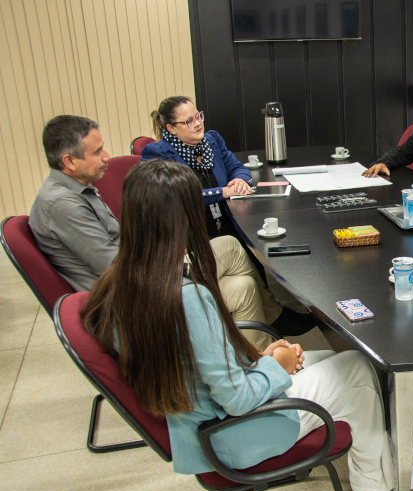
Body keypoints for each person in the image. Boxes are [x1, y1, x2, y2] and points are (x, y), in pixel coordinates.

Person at [80, 159, 413, 491]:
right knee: (357, 368)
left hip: (198, 416)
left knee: (331, 360)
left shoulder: (117, 282)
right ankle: (376, 483)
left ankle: (377, 473)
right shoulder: (186, 298)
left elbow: (195, 362)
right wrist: (276, 367)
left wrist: (259, 361)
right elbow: (236, 401)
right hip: (234, 433)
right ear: (182, 220)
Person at [29, 115, 311, 346]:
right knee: (235, 261)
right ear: (69, 161)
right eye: (97, 151)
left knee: (239, 274)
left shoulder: (78, 189)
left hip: (141, 277)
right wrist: (167, 253)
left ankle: (259, 356)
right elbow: (115, 264)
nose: (106, 156)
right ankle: (268, 350)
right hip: (135, 296)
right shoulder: (62, 205)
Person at [141, 96, 254, 240]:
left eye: (198, 117)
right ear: (171, 128)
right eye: (189, 121)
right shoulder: (158, 154)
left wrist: (240, 180)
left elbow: (238, 168)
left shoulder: (212, 140)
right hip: (190, 238)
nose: (197, 123)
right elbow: (177, 196)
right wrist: (223, 192)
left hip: (228, 227)